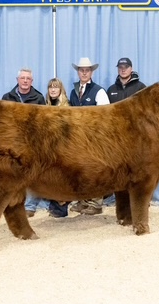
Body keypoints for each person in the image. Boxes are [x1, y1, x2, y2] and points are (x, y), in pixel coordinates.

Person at [68, 57, 110, 215]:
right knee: (80, 170)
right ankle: (83, 201)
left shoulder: (99, 91)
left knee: (95, 170)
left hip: (94, 138)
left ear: (92, 72)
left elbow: (105, 116)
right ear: (78, 72)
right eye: (81, 70)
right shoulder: (74, 92)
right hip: (78, 139)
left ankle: (96, 203)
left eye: (87, 70)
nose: (84, 73)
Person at [2, 68, 46, 217]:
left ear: (32, 81)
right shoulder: (7, 97)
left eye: (28, 78)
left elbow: (43, 122)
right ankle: (13, 204)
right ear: (17, 80)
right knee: (13, 175)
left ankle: (30, 206)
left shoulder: (39, 98)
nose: (25, 81)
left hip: (32, 143)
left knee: (32, 175)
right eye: (23, 78)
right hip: (13, 143)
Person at [104, 57, 146, 205]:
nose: (123, 69)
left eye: (126, 67)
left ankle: (140, 201)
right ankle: (122, 202)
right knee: (119, 170)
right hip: (116, 138)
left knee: (137, 170)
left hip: (135, 136)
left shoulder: (141, 88)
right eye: (120, 67)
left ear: (131, 68)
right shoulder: (111, 90)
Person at [45, 78, 72, 218]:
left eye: (56, 87)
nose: (53, 89)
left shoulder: (66, 107)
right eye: (51, 87)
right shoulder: (46, 106)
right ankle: (54, 207)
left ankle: (61, 209)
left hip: (62, 147)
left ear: (61, 89)